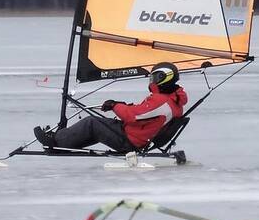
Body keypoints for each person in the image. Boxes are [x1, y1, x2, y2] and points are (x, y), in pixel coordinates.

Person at [33, 62, 188, 153]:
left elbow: (132, 116)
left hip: (130, 141)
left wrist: (114, 105)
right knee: (97, 125)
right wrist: (120, 105)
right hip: (132, 133)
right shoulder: (172, 100)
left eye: (154, 78)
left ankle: (56, 141)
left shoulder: (162, 102)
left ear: (163, 78)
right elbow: (144, 113)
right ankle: (63, 142)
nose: (151, 81)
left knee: (92, 123)